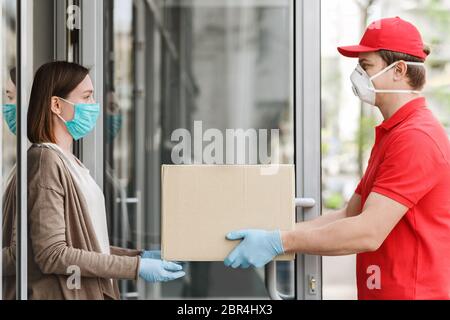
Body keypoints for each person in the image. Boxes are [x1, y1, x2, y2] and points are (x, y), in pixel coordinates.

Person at [224, 17, 450, 300]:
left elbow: (368, 231)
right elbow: (349, 215)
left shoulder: (417, 137)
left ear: (399, 70)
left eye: (366, 66)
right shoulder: (394, 134)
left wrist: (279, 242)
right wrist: (277, 234)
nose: (358, 75)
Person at [2, 61, 184, 300]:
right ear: (56, 105)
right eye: (86, 97)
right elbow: (52, 254)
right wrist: (136, 268)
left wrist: (137, 257)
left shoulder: (68, 161)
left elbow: (84, 244)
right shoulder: (45, 160)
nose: (93, 106)